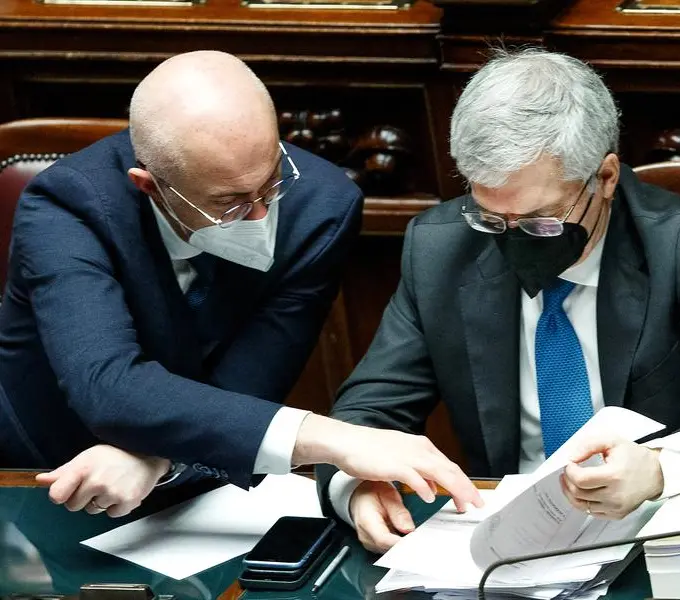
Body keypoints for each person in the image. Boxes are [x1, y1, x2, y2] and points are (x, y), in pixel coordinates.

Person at [316, 47, 680, 553]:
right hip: (503, 545)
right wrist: (355, 487)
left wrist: (663, 467)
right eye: (491, 218)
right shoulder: (442, 249)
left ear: (605, 178)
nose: (513, 239)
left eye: (540, 220)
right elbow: (368, 409)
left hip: (660, 534)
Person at [0, 51, 482, 518]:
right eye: (228, 203)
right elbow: (108, 383)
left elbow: (250, 385)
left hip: (201, 482)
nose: (261, 216)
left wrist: (158, 459)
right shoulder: (67, 205)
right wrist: (334, 438)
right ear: (149, 185)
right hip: (44, 476)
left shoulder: (319, 206)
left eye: (271, 181)